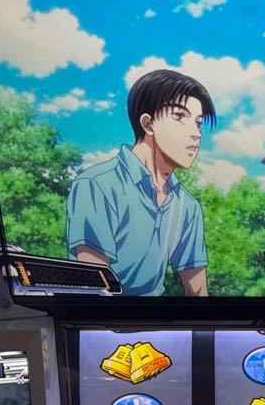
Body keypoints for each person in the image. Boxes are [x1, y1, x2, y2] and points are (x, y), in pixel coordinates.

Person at [66, 69, 215, 296]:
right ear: (148, 123)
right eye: (179, 117)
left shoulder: (188, 206)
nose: (196, 134)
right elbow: (94, 290)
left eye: (198, 123)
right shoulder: (97, 185)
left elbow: (198, 291)